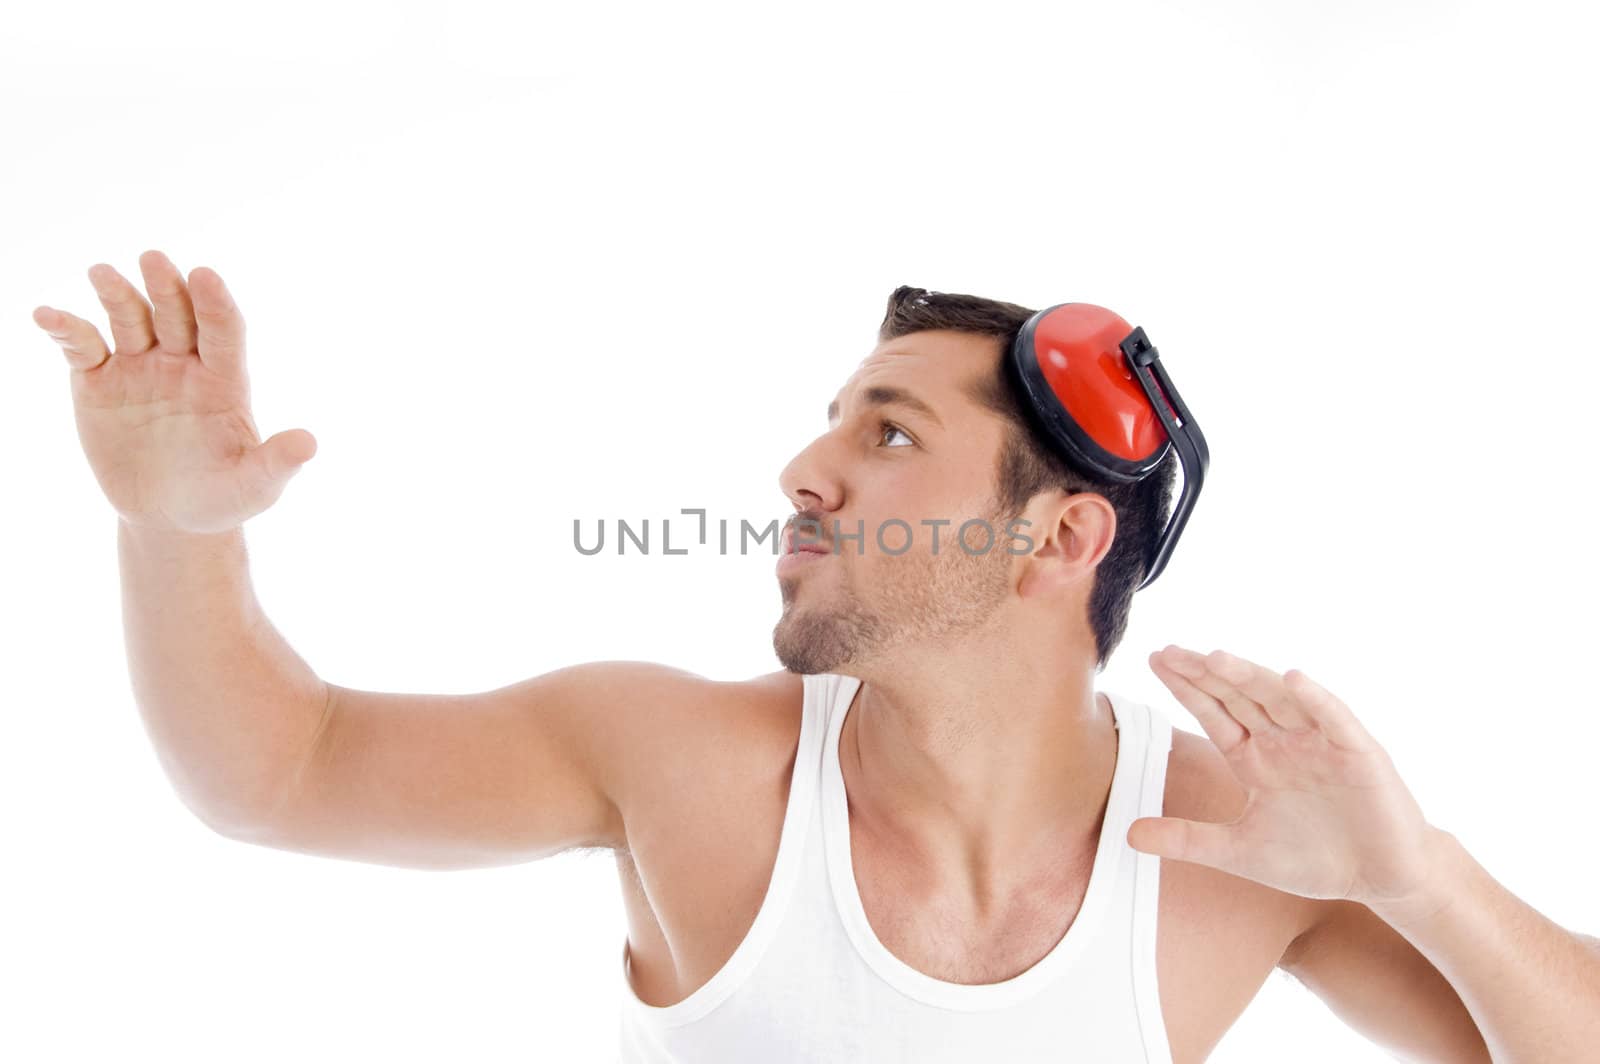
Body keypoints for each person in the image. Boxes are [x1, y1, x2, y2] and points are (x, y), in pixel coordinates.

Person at [34, 249, 1600, 1062]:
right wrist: (176, 530)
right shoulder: (682, 763)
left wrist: (1420, 876)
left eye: (890, 429)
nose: (803, 464)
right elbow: (278, 772)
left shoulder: (1238, 855)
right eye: (833, 413)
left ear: (1059, 542)